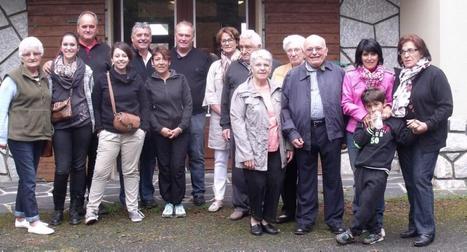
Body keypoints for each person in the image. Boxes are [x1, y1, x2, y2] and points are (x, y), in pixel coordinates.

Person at [281, 34, 345, 235]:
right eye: (310, 49)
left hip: (331, 131)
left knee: (333, 178)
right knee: (306, 178)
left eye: (319, 48)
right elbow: (284, 108)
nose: (315, 52)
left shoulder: (339, 73)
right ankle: (305, 219)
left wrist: (343, 135)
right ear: (304, 52)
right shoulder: (292, 76)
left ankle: (334, 219)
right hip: (303, 132)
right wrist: (291, 132)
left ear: (326, 51)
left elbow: (347, 103)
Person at [392, 34, 453, 247]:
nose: (407, 55)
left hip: (427, 137)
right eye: (403, 51)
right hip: (406, 138)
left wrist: (426, 124)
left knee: (420, 180)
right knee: (410, 182)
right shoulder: (401, 77)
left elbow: (446, 107)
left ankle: (427, 229)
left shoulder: (434, 74)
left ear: (422, 52)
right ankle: (415, 225)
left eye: (411, 50)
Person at [336, 88, 413, 245]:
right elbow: (358, 141)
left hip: (379, 170)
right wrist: (370, 127)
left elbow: (405, 139)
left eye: (376, 105)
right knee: (364, 199)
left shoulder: (393, 123)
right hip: (362, 167)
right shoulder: (363, 123)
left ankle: (353, 232)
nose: (373, 109)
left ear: (384, 104)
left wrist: (412, 122)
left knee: (368, 201)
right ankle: (376, 231)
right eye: (369, 106)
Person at [230, 49, 293, 236]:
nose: (263, 68)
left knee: (275, 184)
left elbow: (286, 118)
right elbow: (237, 124)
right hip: (253, 148)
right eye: (258, 64)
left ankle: (267, 219)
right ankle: (255, 219)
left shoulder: (278, 89)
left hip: (276, 146)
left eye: (266, 64)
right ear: (251, 67)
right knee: (256, 186)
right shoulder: (242, 92)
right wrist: (245, 153)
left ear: (270, 67)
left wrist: (288, 146)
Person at [85, 42, 149, 224]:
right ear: (111, 58)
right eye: (117, 56)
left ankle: (133, 208)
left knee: (130, 172)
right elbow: (95, 106)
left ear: (129, 58)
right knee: (100, 172)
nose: (121, 59)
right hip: (109, 133)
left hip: (134, 133)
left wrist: (143, 129)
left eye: (124, 56)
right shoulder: (102, 79)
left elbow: (145, 104)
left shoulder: (136, 79)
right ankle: (92, 210)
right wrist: (99, 130)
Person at [0, 37, 55, 235]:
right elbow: (1, 109)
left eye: (36, 53)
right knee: (30, 179)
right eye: (27, 54)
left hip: (38, 136)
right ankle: (34, 222)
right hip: (19, 137)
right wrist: (2, 139)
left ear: (41, 54)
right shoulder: (12, 79)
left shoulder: (43, 77)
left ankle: (20, 217)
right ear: (21, 56)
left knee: (26, 178)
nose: (32, 57)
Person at [341, 38, 394, 237]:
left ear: (379, 55)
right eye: (365, 54)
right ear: (359, 57)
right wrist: (364, 116)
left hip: (381, 133)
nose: (369, 57)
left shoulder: (388, 76)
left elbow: (390, 100)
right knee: (360, 179)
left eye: (373, 53)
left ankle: (376, 223)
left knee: (377, 179)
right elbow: (345, 102)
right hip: (357, 130)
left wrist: (387, 108)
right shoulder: (351, 75)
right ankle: (359, 220)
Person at [48, 32, 95, 226]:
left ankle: (76, 208)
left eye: (72, 45)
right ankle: (58, 209)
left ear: (77, 48)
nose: (68, 48)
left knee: (78, 167)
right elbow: (47, 96)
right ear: (61, 47)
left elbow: (89, 94)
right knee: (62, 168)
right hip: (60, 124)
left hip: (82, 123)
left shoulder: (87, 70)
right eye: (65, 44)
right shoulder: (50, 70)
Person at [146, 46, 192, 218]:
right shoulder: (149, 83)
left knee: (178, 166)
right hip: (160, 132)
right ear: (152, 63)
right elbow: (148, 109)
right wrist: (160, 129)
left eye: (164, 59)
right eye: (157, 59)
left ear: (169, 61)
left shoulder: (180, 79)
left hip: (180, 130)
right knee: (164, 167)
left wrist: (181, 127)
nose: (161, 62)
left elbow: (188, 105)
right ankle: (168, 201)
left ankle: (178, 201)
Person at [170, 21, 212, 206]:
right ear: (175, 35)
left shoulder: (204, 58)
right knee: (174, 157)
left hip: (196, 114)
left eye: (187, 35)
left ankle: (199, 192)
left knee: (196, 154)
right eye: (181, 35)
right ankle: (174, 193)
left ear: (192, 37)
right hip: (171, 115)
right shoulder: (167, 56)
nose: (184, 38)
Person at [203, 26, 241, 212]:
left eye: (230, 39)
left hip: (242, 120)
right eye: (223, 40)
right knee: (220, 159)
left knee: (240, 161)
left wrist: (236, 116)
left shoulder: (244, 63)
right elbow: (210, 94)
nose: (226, 43)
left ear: (237, 41)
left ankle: (240, 199)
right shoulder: (215, 66)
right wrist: (224, 114)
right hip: (220, 119)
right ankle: (218, 198)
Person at [271, 34, 305, 224]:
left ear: (304, 52)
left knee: (306, 172)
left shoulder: (311, 68)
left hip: (307, 128)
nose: (293, 54)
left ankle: (305, 209)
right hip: (286, 126)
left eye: (296, 50)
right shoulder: (279, 72)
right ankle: (289, 209)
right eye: (289, 50)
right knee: (288, 172)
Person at [129, 21, 157, 209]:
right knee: (129, 160)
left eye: (146, 35)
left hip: (154, 116)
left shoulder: (157, 58)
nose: (143, 38)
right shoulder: (126, 57)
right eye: (139, 35)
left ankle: (147, 194)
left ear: (151, 38)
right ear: (132, 38)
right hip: (132, 116)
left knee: (148, 158)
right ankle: (127, 197)